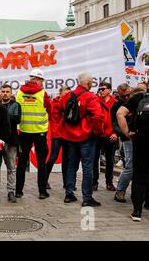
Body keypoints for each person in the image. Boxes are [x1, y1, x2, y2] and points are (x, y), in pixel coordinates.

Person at [116, 75, 149, 223]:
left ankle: (137, 212)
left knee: (139, 177)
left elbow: (120, 113)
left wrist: (127, 133)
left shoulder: (138, 98)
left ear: (147, 84)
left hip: (141, 143)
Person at [57, 72, 103, 207]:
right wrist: (96, 130)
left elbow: (58, 109)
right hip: (86, 136)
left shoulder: (67, 96)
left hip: (70, 136)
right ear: (88, 83)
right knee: (87, 167)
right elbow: (98, 116)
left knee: (71, 165)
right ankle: (87, 197)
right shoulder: (90, 96)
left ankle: (69, 194)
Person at [113, 85, 149, 207]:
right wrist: (125, 133)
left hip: (143, 138)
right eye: (123, 96)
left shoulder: (145, 102)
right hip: (128, 138)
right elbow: (115, 123)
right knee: (130, 166)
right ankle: (120, 191)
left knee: (147, 168)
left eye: (127, 95)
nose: (125, 97)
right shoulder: (117, 105)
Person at [15, 69, 51, 200]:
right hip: (40, 132)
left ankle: (18, 191)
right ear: (37, 80)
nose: (42, 83)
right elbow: (50, 110)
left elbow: (16, 111)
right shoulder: (42, 93)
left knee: (22, 162)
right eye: (41, 80)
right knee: (41, 162)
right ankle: (42, 192)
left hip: (24, 131)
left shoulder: (19, 92)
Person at [93, 82, 117, 191]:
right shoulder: (95, 101)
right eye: (99, 89)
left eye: (103, 89)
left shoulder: (115, 103)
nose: (101, 91)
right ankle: (94, 182)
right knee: (94, 159)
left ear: (109, 90)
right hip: (97, 134)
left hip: (110, 135)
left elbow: (119, 120)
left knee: (110, 160)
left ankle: (109, 182)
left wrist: (116, 133)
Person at [0, 84, 21, 203]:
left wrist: (2, 116)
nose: (5, 93)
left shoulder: (16, 105)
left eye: (8, 91)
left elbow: (17, 119)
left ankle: (11, 191)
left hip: (11, 140)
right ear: (0, 93)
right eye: (3, 91)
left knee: (11, 167)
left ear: (11, 93)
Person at [47, 85, 71, 189]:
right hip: (56, 133)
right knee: (53, 157)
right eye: (65, 94)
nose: (67, 96)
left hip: (67, 134)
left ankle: (66, 183)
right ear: (60, 93)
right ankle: (44, 179)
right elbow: (53, 116)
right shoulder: (53, 103)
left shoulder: (70, 103)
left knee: (66, 159)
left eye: (69, 94)